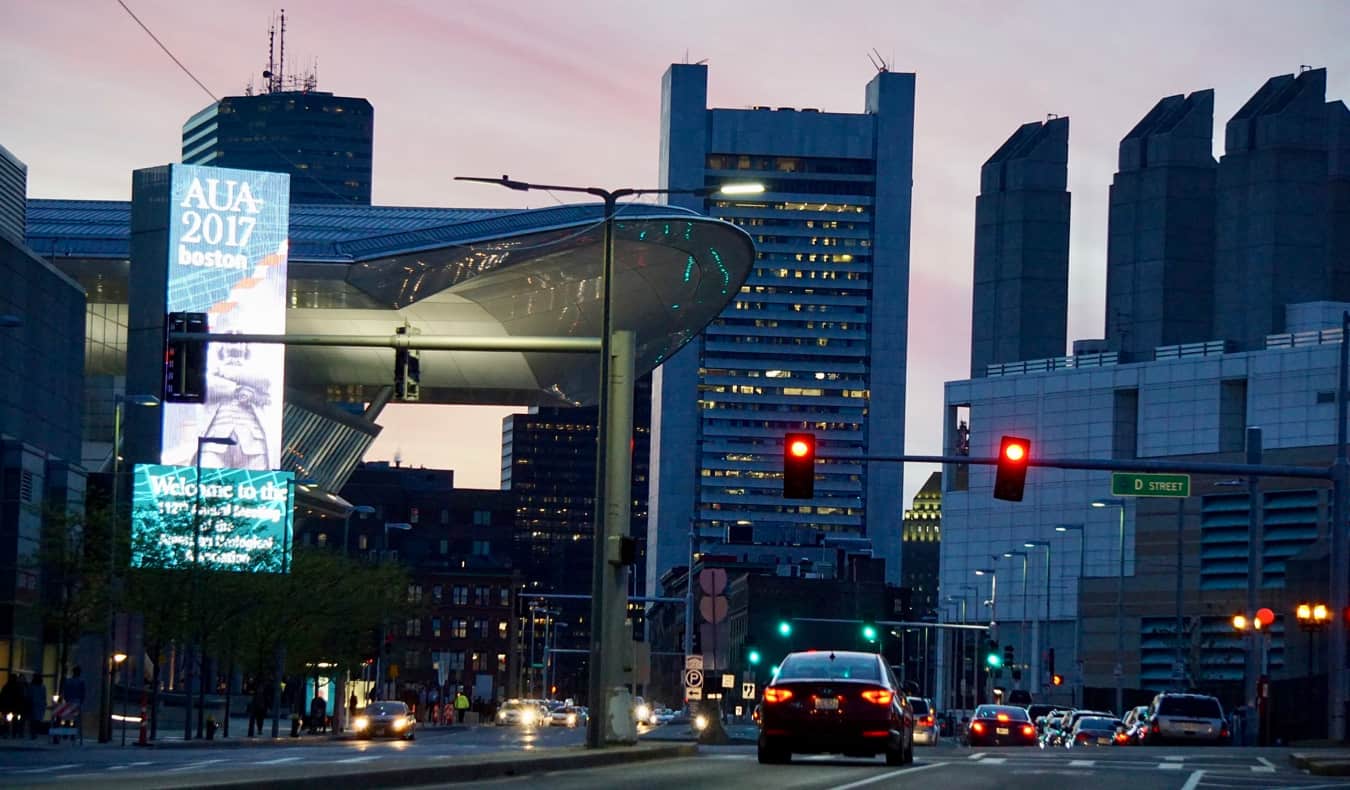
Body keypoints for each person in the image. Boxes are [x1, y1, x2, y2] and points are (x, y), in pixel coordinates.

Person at [28, 674, 48, 739]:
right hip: (39, 705)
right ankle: (35, 732)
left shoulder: (31, 686)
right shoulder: (42, 687)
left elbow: (29, 696)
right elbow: (44, 697)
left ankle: (33, 733)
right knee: (37, 720)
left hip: (34, 704)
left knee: (33, 720)